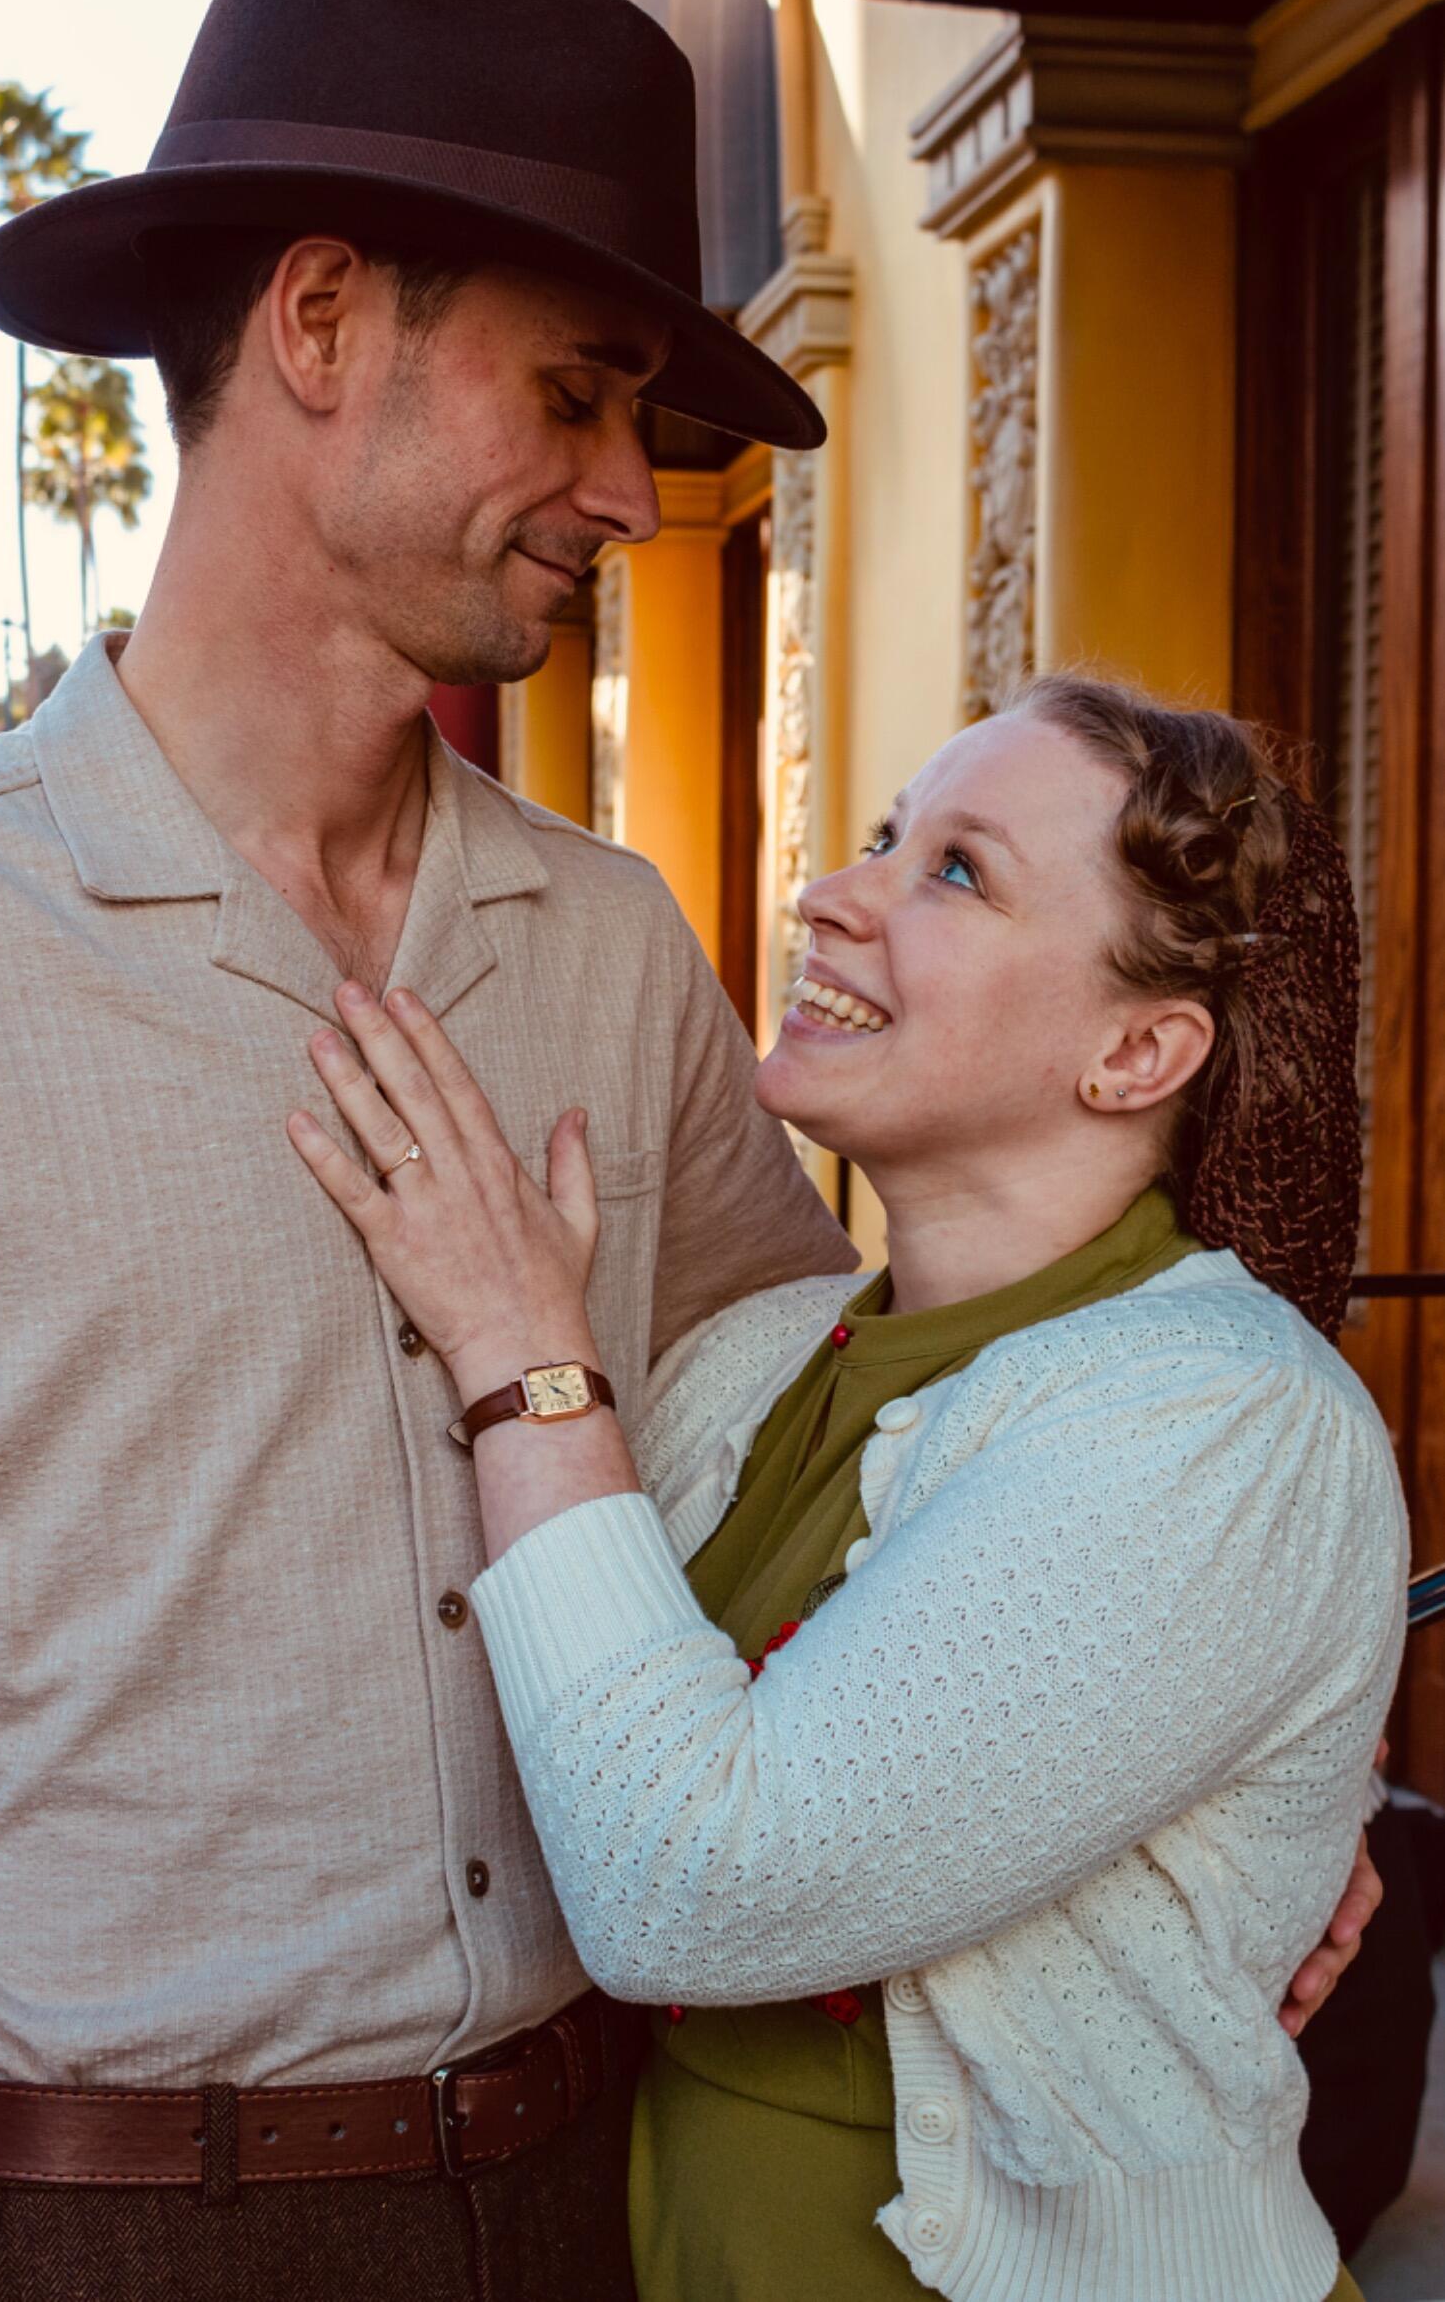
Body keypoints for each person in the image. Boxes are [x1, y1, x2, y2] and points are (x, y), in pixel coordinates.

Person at [0, 0, 858, 2302]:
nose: (633, 496)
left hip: (608, 2189)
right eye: (576, 395)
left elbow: (848, 1473)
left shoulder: (614, 943)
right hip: (82, 2233)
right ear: (318, 319)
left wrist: (1225, 1772)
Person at [269, 676, 1408, 2302]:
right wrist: (9, 1873)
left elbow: (686, 1884)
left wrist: (527, 1353)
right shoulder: (757, 1358)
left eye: (955, 870)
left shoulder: (1225, 1422)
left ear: (1136, 1049)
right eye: (888, 835)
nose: (828, 888)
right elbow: (536, 1729)